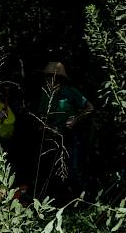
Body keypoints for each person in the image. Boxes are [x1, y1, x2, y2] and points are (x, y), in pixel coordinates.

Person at [37, 61, 94, 198]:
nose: (48, 79)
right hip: (52, 137)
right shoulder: (45, 93)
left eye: (50, 76)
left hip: (70, 135)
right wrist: (44, 127)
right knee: (54, 169)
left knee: (72, 168)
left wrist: (75, 119)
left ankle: (83, 198)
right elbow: (42, 116)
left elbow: (89, 108)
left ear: (57, 77)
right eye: (47, 76)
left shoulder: (69, 91)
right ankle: (61, 200)